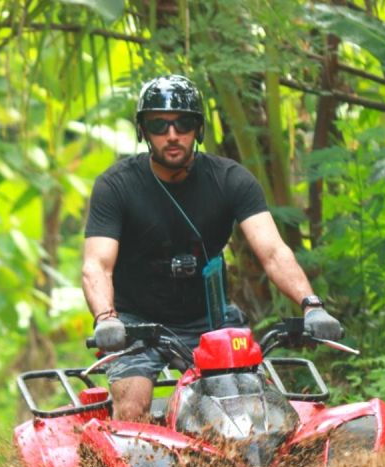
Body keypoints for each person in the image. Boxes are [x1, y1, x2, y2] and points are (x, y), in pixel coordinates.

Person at [82, 74, 343, 420]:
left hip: (209, 317)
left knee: (252, 408)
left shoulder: (231, 179)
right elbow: (97, 265)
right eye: (159, 124)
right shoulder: (116, 186)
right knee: (132, 406)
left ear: (198, 129)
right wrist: (106, 319)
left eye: (183, 124)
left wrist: (312, 306)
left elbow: (274, 252)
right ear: (143, 131)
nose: (172, 135)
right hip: (135, 322)